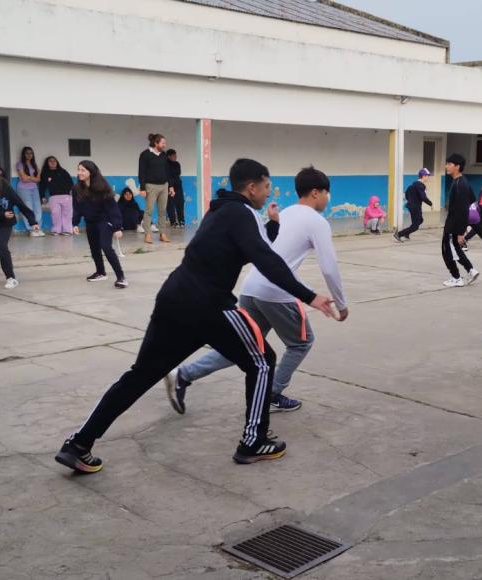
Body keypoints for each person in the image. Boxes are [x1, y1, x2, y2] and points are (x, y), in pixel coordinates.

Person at [55, 158, 335, 474]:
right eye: (267, 186)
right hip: (209, 304)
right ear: (253, 186)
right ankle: (253, 441)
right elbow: (267, 260)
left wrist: (271, 224)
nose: (269, 193)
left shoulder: (220, 211)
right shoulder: (241, 213)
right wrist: (310, 296)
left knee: (141, 374)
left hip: (173, 299)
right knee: (261, 360)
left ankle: (79, 444)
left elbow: (250, 247)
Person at [167, 165, 348, 415]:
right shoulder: (317, 221)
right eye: (327, 193)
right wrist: (341, 303)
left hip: (252, 288)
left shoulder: (285, 213)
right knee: (301, 343)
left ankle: (183, 375)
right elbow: (329, 267)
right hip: (277, 292)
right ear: (316, 192)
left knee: (244, 346)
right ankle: (272, 393)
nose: (328, 199)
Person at [0, 162, 40, 289]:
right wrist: (2, 214)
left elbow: (19, 202)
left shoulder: (5, 186)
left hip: (5, 223)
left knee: (1, 246)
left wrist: (32, 221)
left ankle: (11, 278)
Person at [72, 161, 127, 288]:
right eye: (79, 170)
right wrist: (75, 223)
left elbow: (113, 208)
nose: (80, 173)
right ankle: (101, 272)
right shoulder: (76, 189)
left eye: (83, 170)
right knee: (94, 249)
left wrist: (117, 227)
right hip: (90, 222)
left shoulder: (102, 187)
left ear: (91, 172)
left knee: (106, 247)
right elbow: (77, 207)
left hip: (104, 221)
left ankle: (121, 277)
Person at [442, 154, 480, 288]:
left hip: (454, 225)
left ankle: (456, 277)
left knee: (448, 252)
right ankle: (471, 270)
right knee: (454, 250)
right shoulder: (461, 181)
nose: (446, 166)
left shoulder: (460, 184)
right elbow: (472, 199)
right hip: (453, 222)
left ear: (457, 167)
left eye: (449, 164)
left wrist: (460, 231)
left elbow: (464, 209)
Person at [138, 133, 174, 244]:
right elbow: (141, 172)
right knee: (149, 211)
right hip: (150, 186)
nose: (165, 145)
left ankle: (162, 234)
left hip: (164, 186)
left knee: (162, 211)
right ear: (156, 143)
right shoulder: (145, 154)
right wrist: (142, 188)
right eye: (163, 143)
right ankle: (147, 235)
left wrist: (171, 186)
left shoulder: (163, 155)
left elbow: (168, 172)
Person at [393, 168, 434, 242]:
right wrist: (430, 203)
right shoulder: (421, 185)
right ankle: (398, 234)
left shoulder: (413, 185)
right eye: (427, 176)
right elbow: (423, 197)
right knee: (415, 226)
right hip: (415, 207)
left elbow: (407, 194)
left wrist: (411, 201)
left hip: (412, 206)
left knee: (420, 220)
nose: (428, 177)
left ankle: (407, 233)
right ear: (423, 176)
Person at [39, 156, 74, 235]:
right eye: (50, 161)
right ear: (47, 163)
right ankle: (56, 230)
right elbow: (42, 186)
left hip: (66, 196)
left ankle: (67, 230)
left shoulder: (63, 171)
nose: (52, 162)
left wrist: (71, 191)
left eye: (54, 161)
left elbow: (70, 182)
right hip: (53, 197)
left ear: (57, 162)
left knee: (67, 214)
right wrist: (42, 196)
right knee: (55, 214)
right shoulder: (45, 173)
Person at [16, 146, 44, 237]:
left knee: (38, 209)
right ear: (23, 154)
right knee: (28, 209)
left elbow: (38, 179)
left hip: (35, 188)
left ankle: (38, 228)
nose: (29, 155)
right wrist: (33, 178)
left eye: (31, 153)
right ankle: (31, 229)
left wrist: (30, 178)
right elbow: (23, 179)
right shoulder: (20, 164)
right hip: (23, 189)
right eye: (27, 153)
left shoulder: (34, 165)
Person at [166, 148, 185, 228]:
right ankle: (173, 222)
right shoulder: (165, 164)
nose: (175, 157)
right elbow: (167, 175)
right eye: (173, 156)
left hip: (178, 186)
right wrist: (170, 185)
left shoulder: (177, 164)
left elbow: (178, 172)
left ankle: (181, 220)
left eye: (175, 155)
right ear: (169, 156)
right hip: (169, 186)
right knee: (170, 204)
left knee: (180, 203)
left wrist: (172, 174)